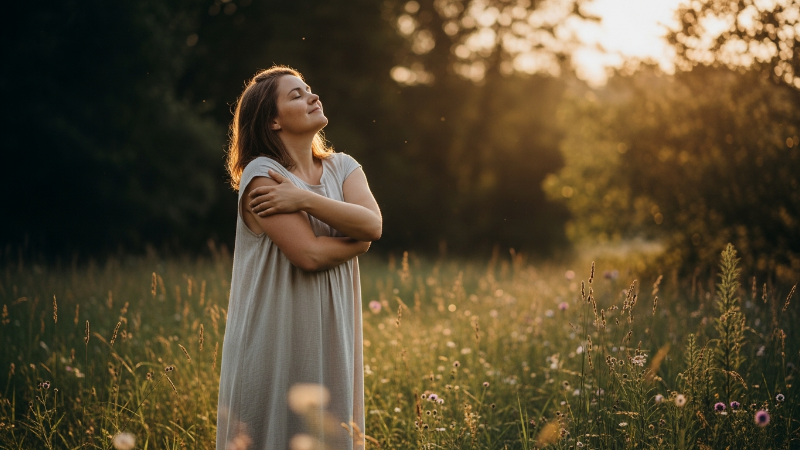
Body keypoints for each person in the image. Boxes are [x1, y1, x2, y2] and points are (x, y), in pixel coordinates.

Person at [217, 65, 381, 450]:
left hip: (331, 335)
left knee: (329, 434)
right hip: (277, 338)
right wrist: (355, 242)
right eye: (296, 94)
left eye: (309, 89)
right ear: (273, 121)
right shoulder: (263, 174)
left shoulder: (343, 166)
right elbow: (306, 254)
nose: (313, 96)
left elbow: (372, 225)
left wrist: (303, 198)